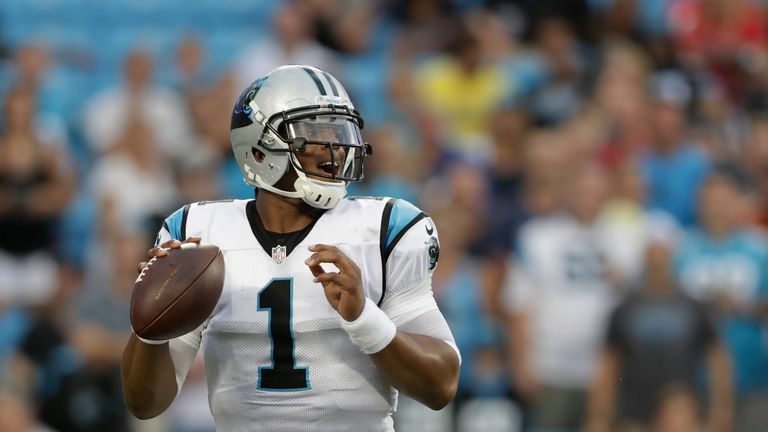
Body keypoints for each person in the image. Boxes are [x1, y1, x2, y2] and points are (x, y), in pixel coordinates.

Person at [121, 65, 460, 431]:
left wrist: (365, 319)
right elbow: (145, 403)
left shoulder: (385, 228)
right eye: (314, 133)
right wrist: (150, 326)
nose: (336, 148)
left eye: (340, 131)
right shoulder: (198, 233)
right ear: (260, 150)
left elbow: (440, 386)